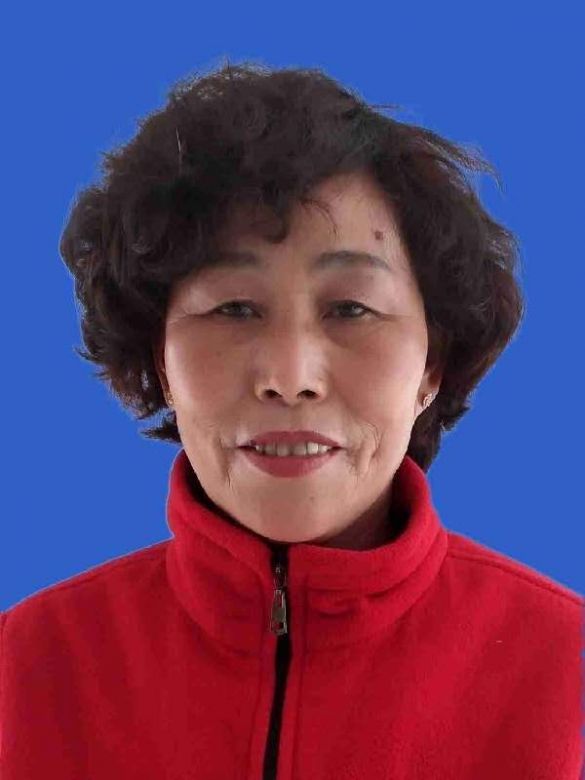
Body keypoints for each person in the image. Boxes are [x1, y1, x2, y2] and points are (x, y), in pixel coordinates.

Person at [0, 60, 582, 779]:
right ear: (160, 361)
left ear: (432, 365)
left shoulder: (567, 671)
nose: (288, 375)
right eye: (234, 308)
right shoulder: (27, 667)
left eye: (350, 309)